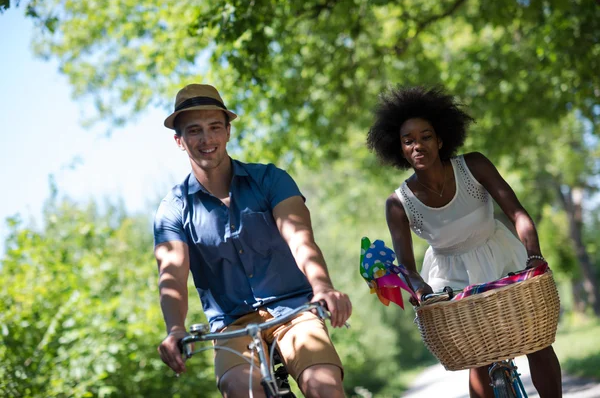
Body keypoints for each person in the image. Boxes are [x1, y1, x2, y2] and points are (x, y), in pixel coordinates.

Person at [153, 84, 351, 398]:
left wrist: (322, 286)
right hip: (232, 325)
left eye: (215, 127)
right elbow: (172, 277)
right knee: (240, 389)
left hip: (295, 310)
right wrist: (175, 329)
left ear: (228, 131)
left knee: (323, 384)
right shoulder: (173, 209)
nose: (207, 139)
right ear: (179, 141)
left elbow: (300, 240)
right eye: (194, 131)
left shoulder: (270, 180)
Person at [366, 86, 562, 398]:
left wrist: (534, 254)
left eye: (426, 136)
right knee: (477, 354)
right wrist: (418, 288)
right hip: (451, 276)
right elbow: (407, 266)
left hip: (501, 258)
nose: (418, 145)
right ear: (400, 149)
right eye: (408, 140)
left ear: (440, 139)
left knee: (536, 342)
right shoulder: (398, 204)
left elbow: (517, 213)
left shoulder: (473, 166)